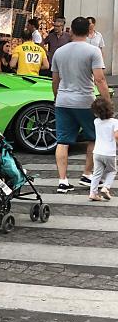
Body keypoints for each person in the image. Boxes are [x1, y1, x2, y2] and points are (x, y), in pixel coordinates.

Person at [52, 16, 111, 193]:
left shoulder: (59, 52)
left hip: (63, 100)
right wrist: (107, 101)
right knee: (93, 138)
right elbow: (99, 79)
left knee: (62, 141)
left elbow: (55, 81)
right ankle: (87, 174)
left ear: (71, 30)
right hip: (85, 101)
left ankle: (62, 180)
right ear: (88, 31)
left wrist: (57, 97)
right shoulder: (93, 51)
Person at [88, 97, 118, 201]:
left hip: (97, 152)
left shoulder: (96, 121)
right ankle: (105, 187)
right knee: (112, 171)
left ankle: (93, 193)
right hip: (109, 152)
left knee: (97, 173)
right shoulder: (114, 122)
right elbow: (116, 136)